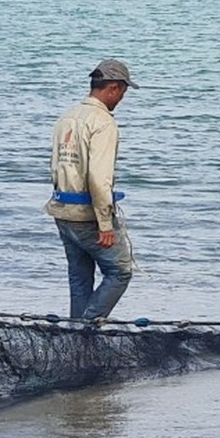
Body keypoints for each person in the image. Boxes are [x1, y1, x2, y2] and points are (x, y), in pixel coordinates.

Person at [46, 59, 138, 321]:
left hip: (62, 210)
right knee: (120, 272)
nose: (122, 98)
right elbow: (99, 179)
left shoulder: (67, 116)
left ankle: (74, 335)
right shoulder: (103, 122)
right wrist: (105, 224)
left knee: (79, 277)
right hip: (88, 215)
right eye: (123, 91)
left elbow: (56, 165)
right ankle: (87, 327)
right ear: (112, 87)